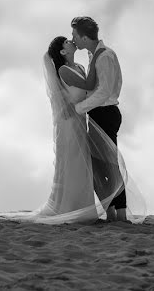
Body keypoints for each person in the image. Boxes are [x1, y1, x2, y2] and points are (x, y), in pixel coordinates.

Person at [0, 35, 137, 224]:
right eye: (66, 42)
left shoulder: (78, 68)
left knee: (84, 166)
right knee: (74, 163)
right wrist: (96, 58)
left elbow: (91, 88)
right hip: (70, 123)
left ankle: (88, 207)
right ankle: (73, 208)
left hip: (80, 122)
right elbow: (85, 89)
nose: (70, 41)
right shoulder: (64, 70)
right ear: (63, 52)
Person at [61, 16, 129, 222]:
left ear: (83, 37)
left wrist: (79, 108)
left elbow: (105, 91)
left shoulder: (105, 56)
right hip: (99, 113)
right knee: (98, 166)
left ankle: (121, 215)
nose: (73, 38)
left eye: (74, 35)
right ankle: (113, 212)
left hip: (106, 113)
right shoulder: (95, 55)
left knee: (110, 166)